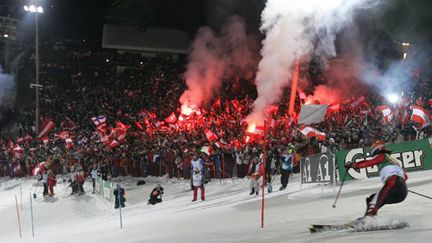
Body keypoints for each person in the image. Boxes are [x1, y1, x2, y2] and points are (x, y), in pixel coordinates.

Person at [345, 141, 408, 218]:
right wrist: (399, 185)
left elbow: (370, 162)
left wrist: (353, 165)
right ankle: (368, 218)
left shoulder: (382, 155)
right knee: (372, 199)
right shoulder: (394, 161)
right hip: (402, 191)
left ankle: (368, 220)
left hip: (392, 182)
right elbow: (405, 177)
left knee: (373, 202)